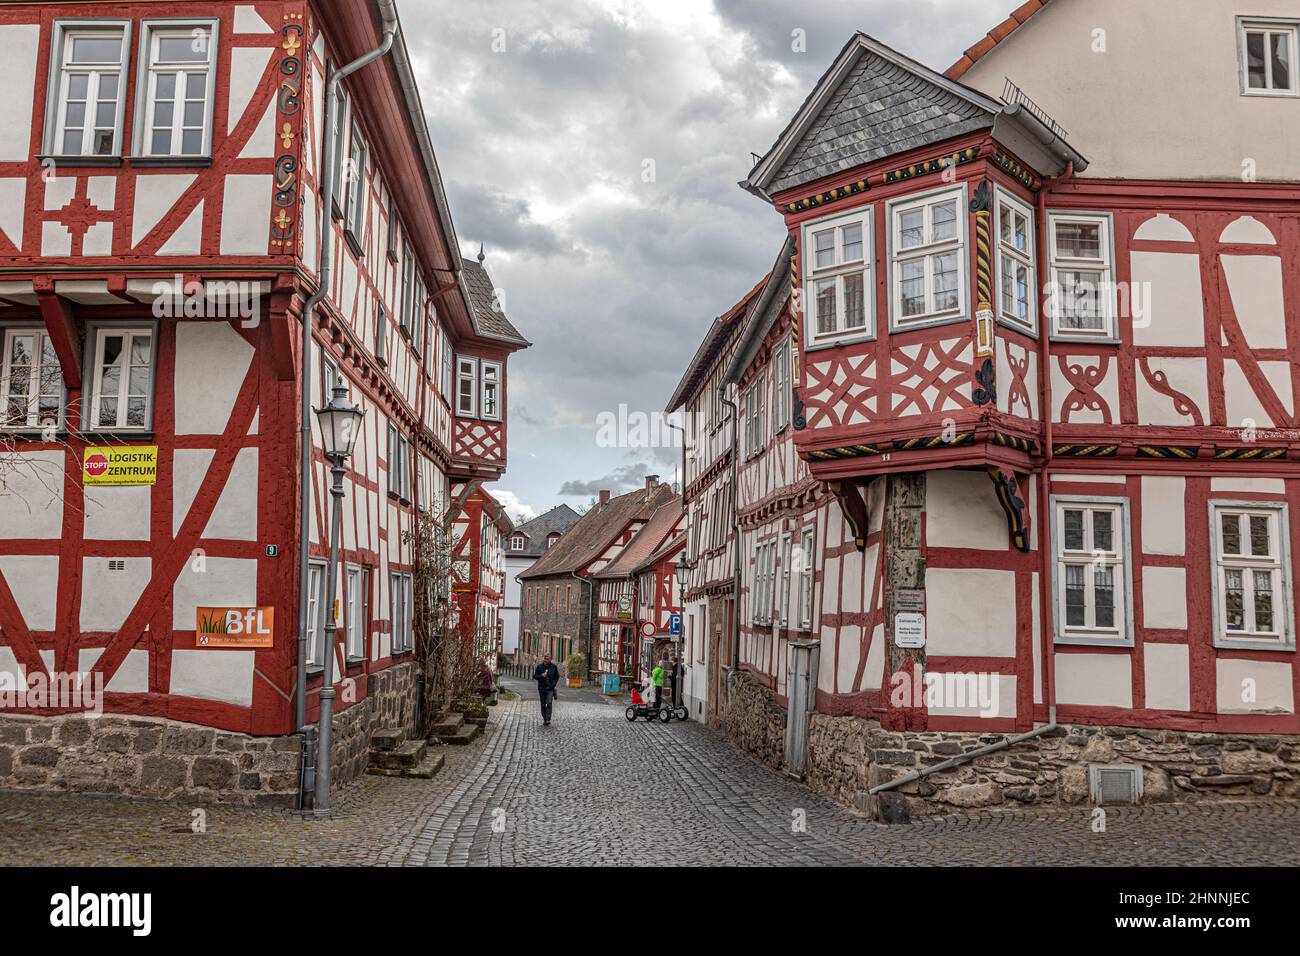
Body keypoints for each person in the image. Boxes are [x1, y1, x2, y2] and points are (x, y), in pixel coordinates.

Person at [533, 653, 560, 725]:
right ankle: (544, 719)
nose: (546, 660)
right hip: (542, 688)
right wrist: (541, 676)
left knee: (549, 703)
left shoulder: (554, 667)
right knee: (543, 704)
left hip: (550, 688)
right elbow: (535, 676)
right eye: (545, 658)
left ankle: (548, 718)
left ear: (550, 659)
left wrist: (553, 685)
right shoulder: (540, 667)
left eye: (548, 659)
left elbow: (557, 676)